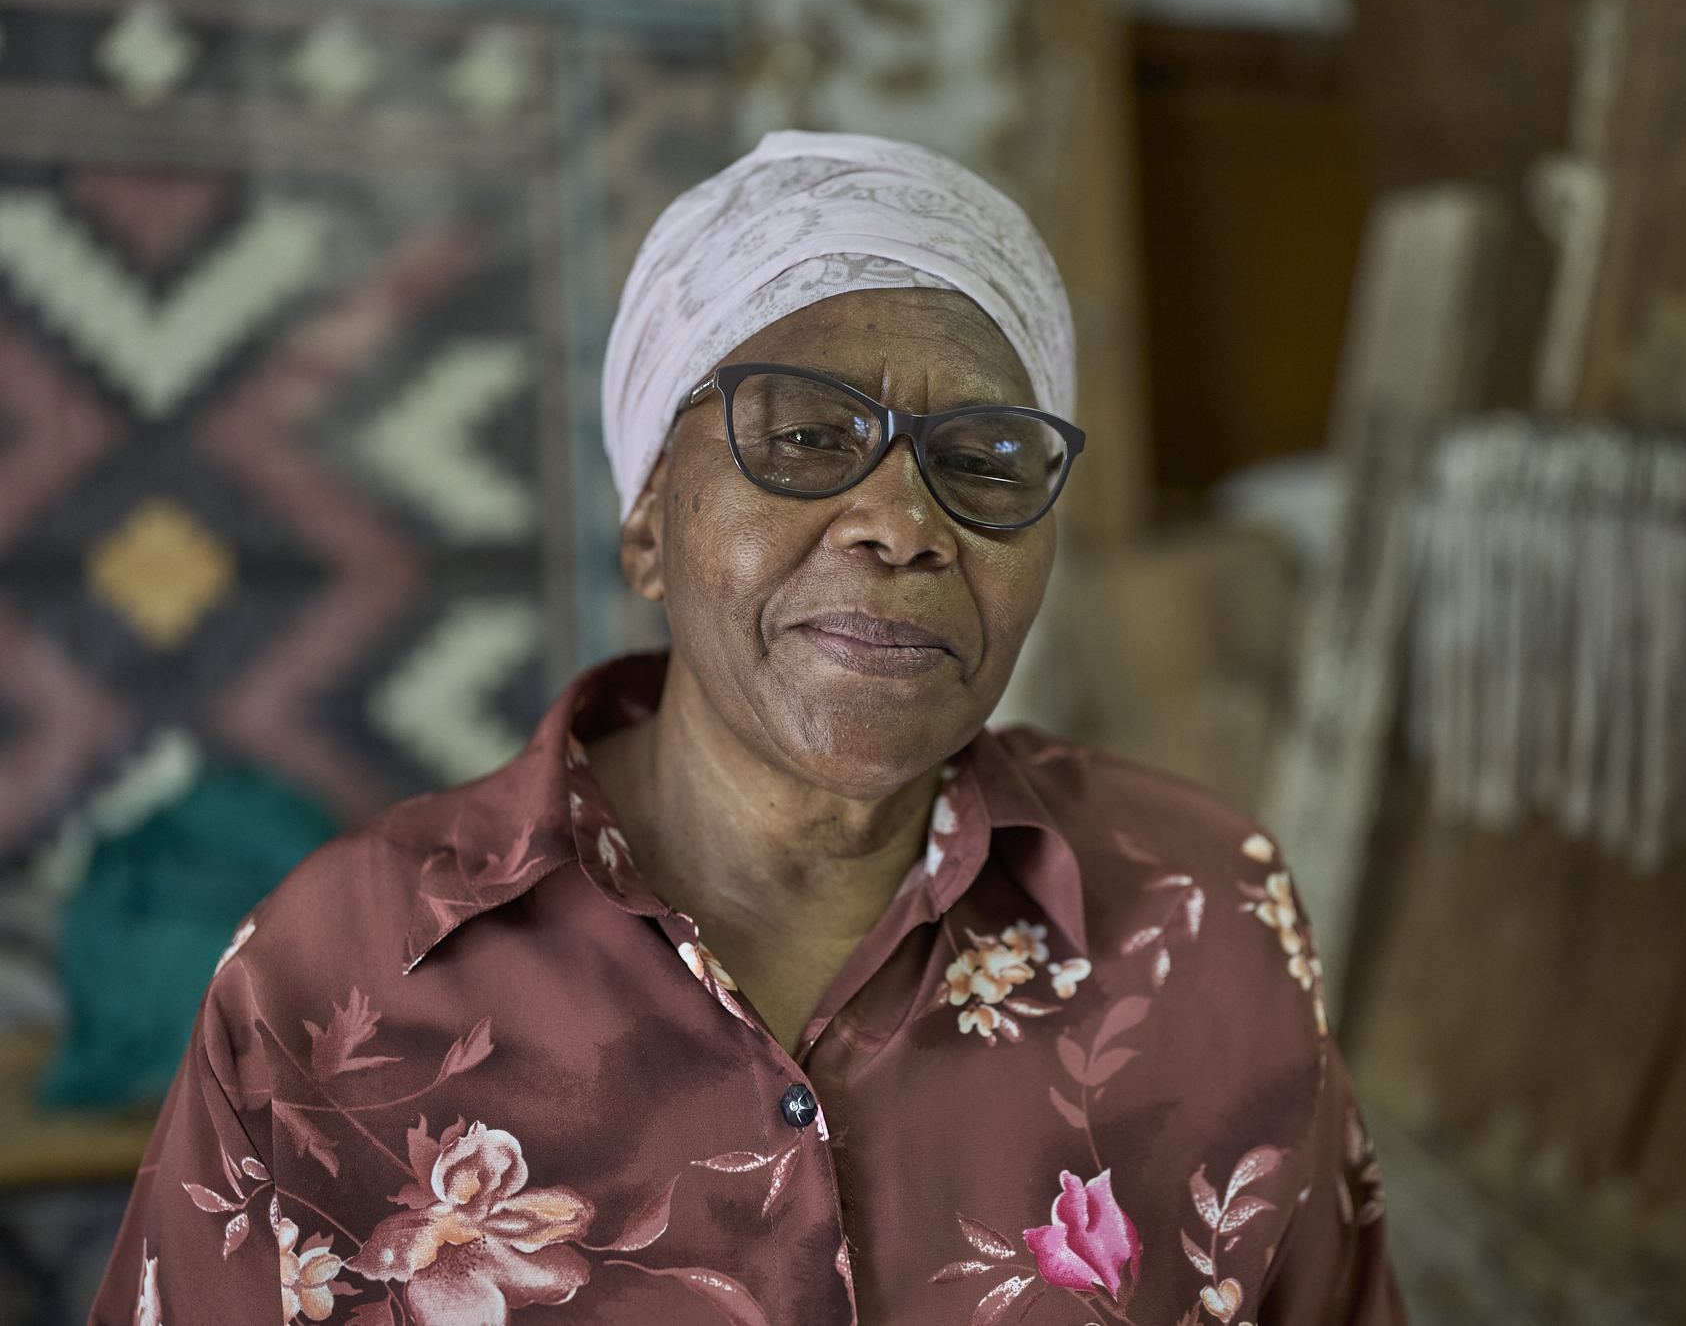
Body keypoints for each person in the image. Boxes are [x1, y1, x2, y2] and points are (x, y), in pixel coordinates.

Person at [90, 131, 1402, 1326]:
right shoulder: (331, 981)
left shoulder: (1203, 917)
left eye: (983, 462)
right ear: (649, 524)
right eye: (810, 436)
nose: (903, 524)